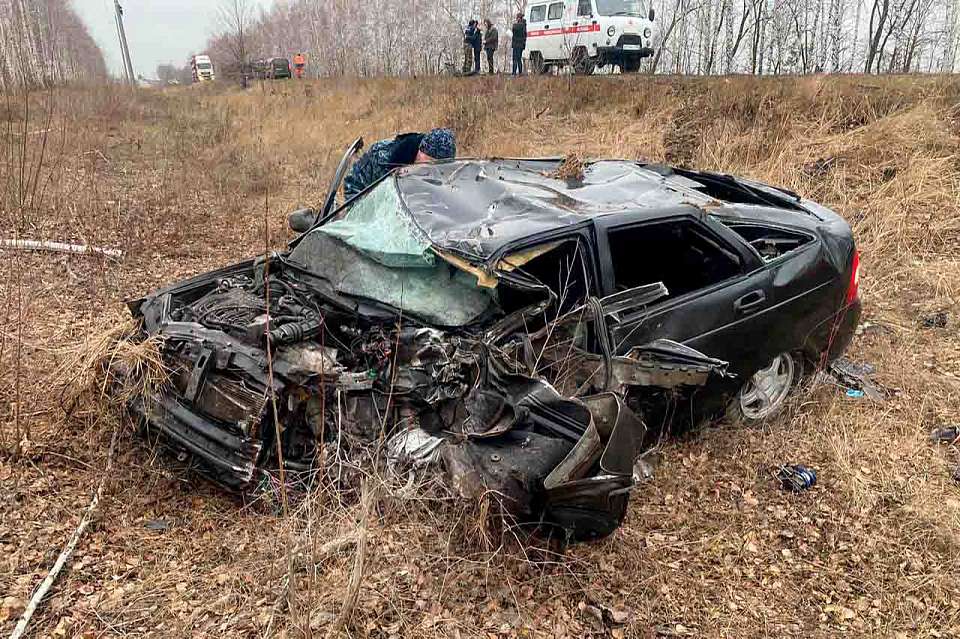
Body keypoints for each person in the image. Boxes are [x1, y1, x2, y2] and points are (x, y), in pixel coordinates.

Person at [343, 128, 456, 199]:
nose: (430, 169)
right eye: (429, 162)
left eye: (438, 167)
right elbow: (352, 186)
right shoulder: (381, 157)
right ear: (420, 150)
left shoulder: (450, 176)